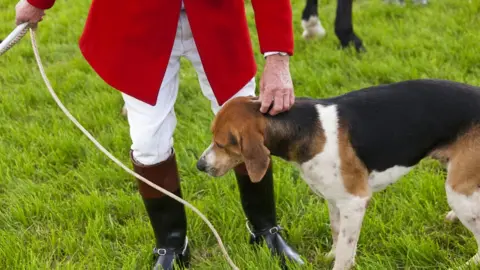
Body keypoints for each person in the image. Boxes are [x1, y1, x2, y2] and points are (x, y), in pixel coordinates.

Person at [15, 0, 304, 269]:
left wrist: (277, 56)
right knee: (148, 141)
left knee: (246, 130)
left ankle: (265, 228)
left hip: (217, 18)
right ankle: (172, 244)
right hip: (140, 22)